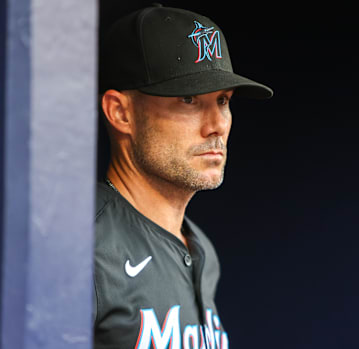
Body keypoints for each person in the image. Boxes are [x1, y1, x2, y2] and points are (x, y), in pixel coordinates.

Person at [93, 4, 272, 349]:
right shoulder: (82, 244)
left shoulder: (203, 250)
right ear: (121, 112)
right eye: (189, 99)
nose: (216, 125)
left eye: (222, 100)